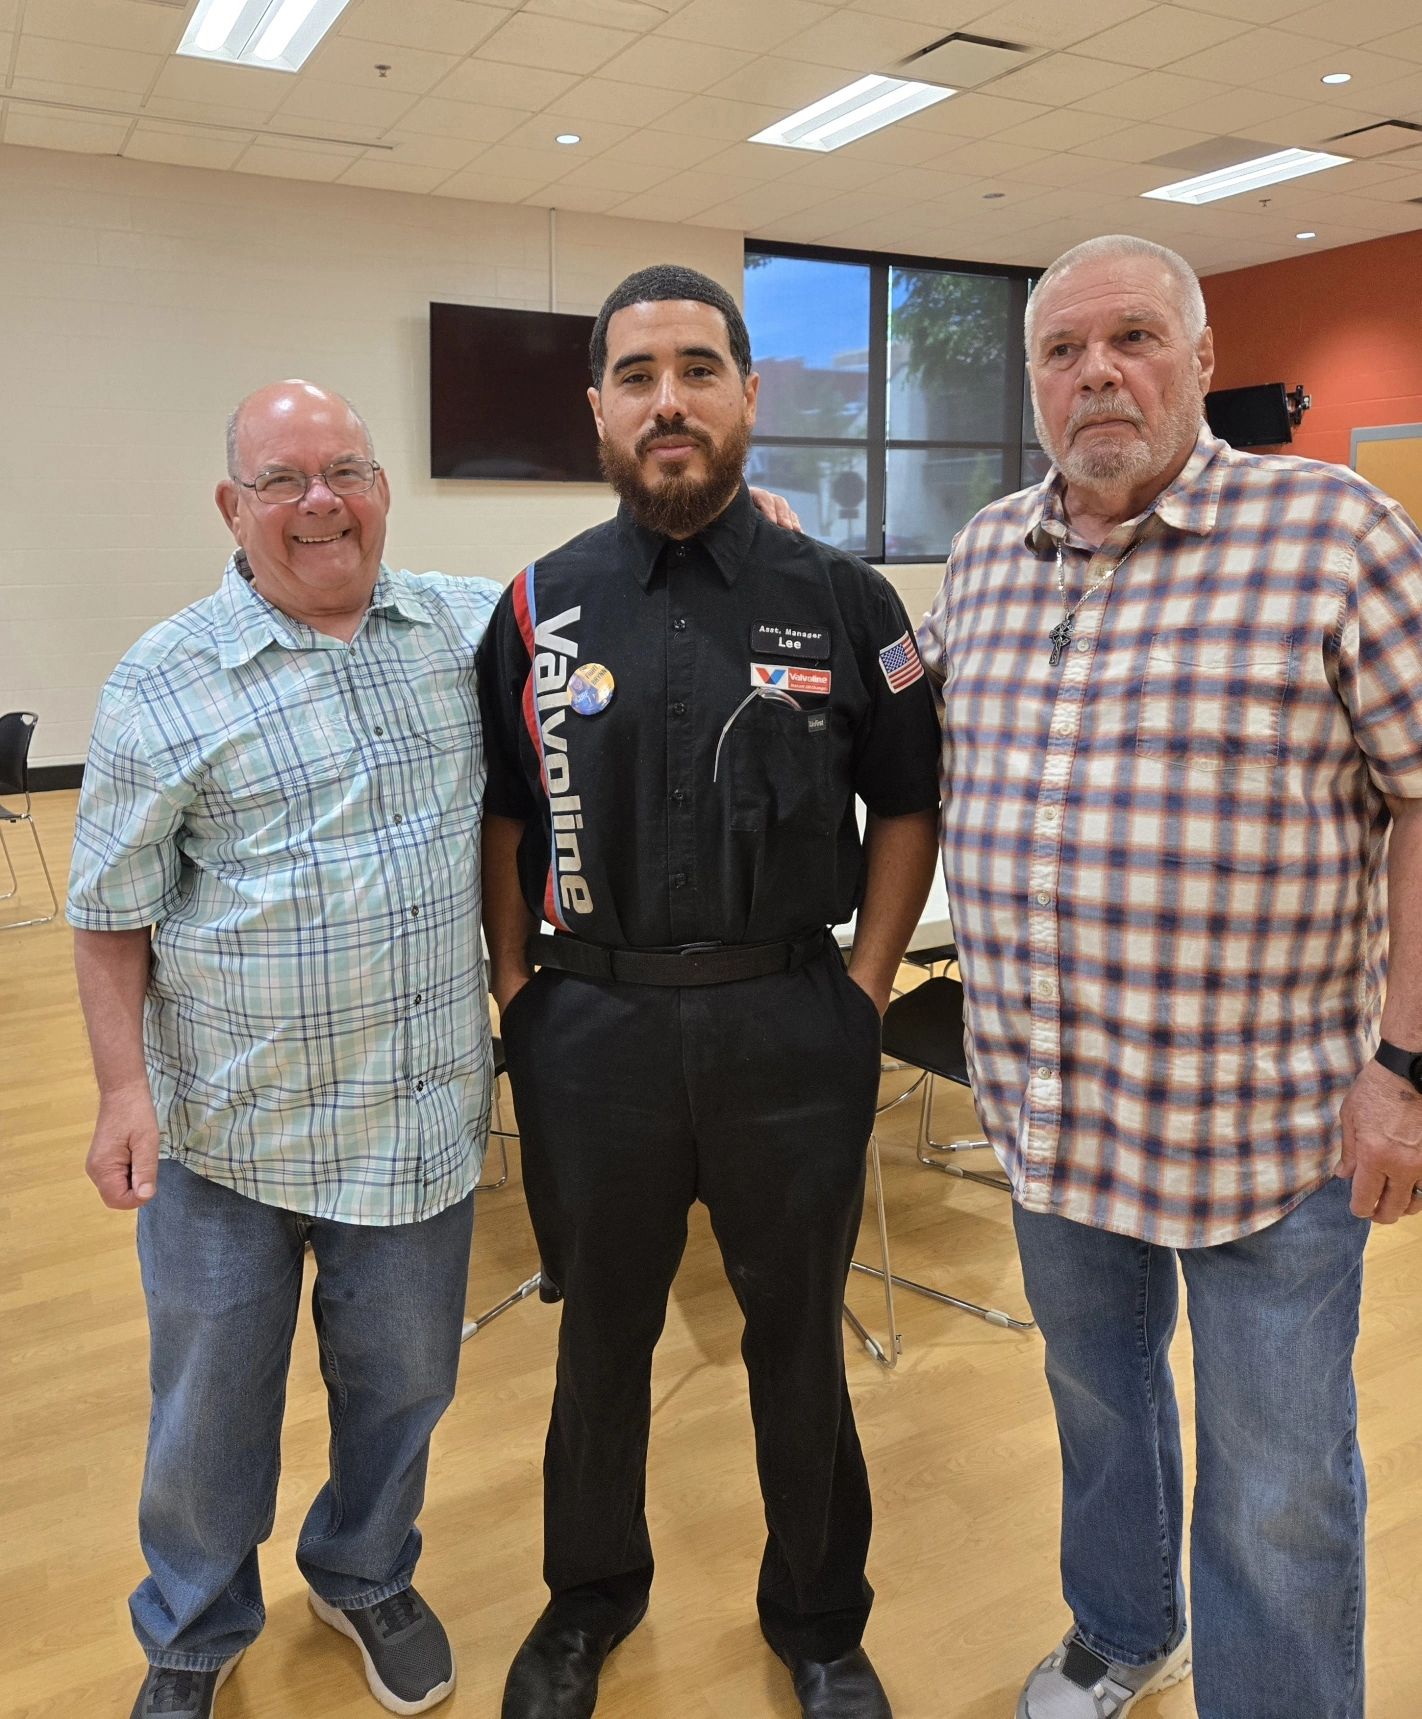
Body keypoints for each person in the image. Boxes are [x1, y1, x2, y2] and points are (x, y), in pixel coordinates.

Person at [918, 234, 1422, 1719]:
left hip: (1263, 1130)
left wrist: (1404, 1065)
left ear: (1201, 360)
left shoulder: (1333, 534)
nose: (1096, 374)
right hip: (1051, 1109)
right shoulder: (987, 557)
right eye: (1061, 352)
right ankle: (1122, 1629)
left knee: (1274, 1485)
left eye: (1131, 337)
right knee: (1100, 1412)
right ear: (1031, 388)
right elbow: (901, 727)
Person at [477, 264, 942, 1719]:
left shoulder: (845, 597)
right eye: (634, 375)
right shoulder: (539, 602)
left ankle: (817, 1620)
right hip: (589, 1032)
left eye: (695, 368)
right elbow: (501, 810)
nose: (665, 400)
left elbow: (909, 802)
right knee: (601, 1330)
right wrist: (515, 989)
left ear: (747, 392)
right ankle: (586, 1602)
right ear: (599, 409)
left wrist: (864, 989)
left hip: (787, 1028)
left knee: (793, 1330)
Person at [68, 382, 503, 1719]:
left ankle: (364, 1565)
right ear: (232, 508)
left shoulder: (464, 629)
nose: (322, 500)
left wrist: (748, 532)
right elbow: (106, 907)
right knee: (209, 1412)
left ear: (383, 488)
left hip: (418, 1117)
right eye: (284, 479)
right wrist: (121, 1087)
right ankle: (194, 1624)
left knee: (407, 1385)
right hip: (231, 1128)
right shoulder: (165, 674)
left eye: (347, 470)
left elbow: (618, 606)